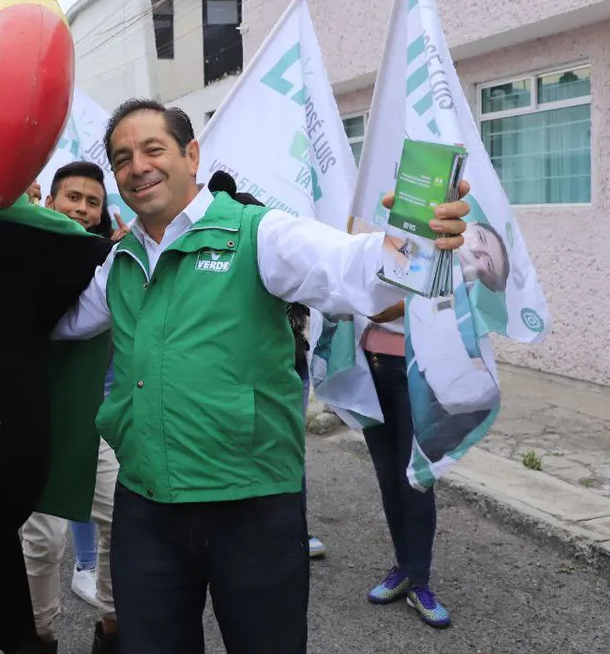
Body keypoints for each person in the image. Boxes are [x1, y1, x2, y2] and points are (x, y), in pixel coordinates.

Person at [52, 99, 471, 653]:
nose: (138, 166)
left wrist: (414, 243)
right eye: (123, 158)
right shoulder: (120, 262)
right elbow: (57, 322)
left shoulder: (258, 233)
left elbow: (351, 269)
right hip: (146, 507)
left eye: (153, 149)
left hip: (250, 508)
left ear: (191, 154)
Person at [350, 213, 509, 628]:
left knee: (416, 478)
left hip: (418, 371)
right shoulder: (380, 221)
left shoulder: (454, 234)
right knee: (388, 476)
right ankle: (402, 568)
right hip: (372, 364)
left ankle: (420, 582)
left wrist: (401, 304)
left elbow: (461, 293)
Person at [21, 161, 122, 654]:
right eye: (73, 198)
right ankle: (39, 636)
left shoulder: (113, 265)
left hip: (93, 421)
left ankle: (111, 626)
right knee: (42, 542)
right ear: (51, 201)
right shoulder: (26, 248)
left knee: (122, 521)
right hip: (33, 422)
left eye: (92, 202)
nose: (81, 208)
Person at [207, 171, 326, 560]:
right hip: (236, 372)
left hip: (291, 367)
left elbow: (303, 309)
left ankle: (296, 530)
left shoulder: (272, 250)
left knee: (286, 449)